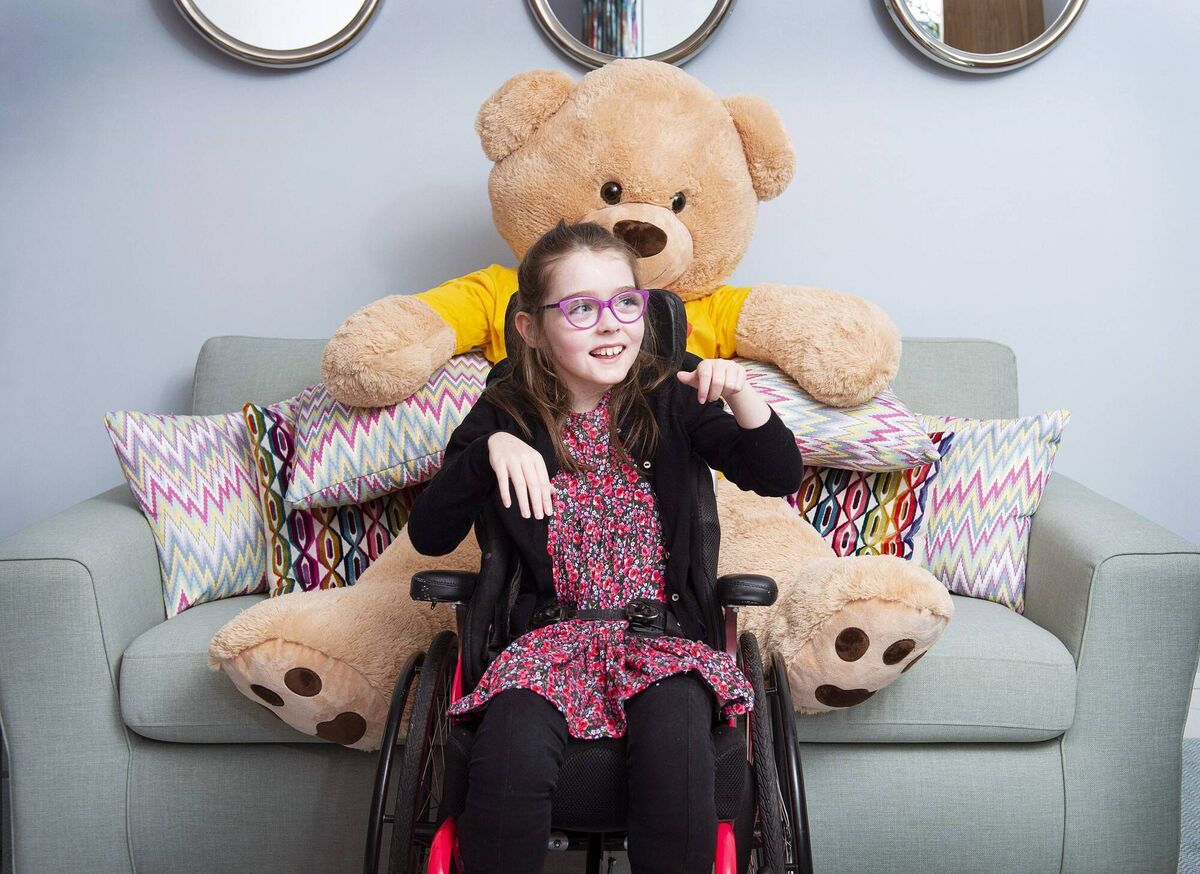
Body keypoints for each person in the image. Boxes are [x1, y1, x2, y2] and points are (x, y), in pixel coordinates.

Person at [406, 219, 803, 873]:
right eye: (580, 309)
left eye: (626, 302)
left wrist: (743, 396)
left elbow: (777, 474)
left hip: (664, 638)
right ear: (531, 328)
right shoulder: (507, 408)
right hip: (545, 641)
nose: (611, 324)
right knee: (508, 751)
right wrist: (484, 455)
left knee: (676, 740)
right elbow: (429, 534)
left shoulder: (674, 389)